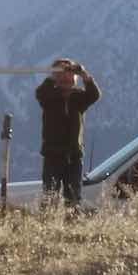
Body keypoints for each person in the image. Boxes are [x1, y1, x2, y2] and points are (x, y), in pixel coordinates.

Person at [35, 57, 101, 206]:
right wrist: (53, 76)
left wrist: (83, 74)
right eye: (62, 74)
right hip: (52, 154)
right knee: (50, 196)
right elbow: (40, 93)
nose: (65, 77)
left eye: (69, 73)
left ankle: (71, 219)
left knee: (73, 198)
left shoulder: (79, 97)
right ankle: (49, 220)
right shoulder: (49, 97)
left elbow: (94, 95)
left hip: (74, 156)